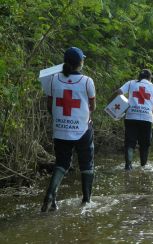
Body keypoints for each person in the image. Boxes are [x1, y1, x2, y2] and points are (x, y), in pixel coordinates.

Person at [41, 47, 96, 212]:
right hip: (82, 130)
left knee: (62, 163)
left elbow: (50, 106)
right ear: (80, 63)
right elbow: (92, 106)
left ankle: (51, 195)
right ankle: (86, 201)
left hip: (60, 129)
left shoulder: (53, 79)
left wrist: (61, 120)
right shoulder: (87, 81)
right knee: (86, 164)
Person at [112, 69, 153, 170]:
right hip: (147, 118)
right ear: (149, 78)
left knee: (130, 142)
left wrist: (115, 104)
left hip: (131, 116)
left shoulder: (130, 83)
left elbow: (118, 92)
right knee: (145, 144)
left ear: (140, 77)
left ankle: (128, 166)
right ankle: (143, 167)